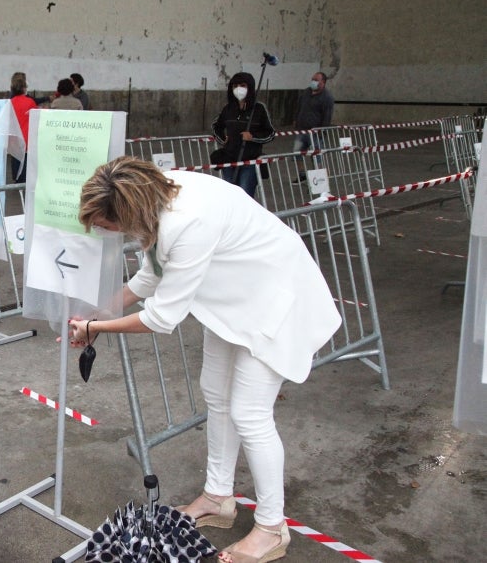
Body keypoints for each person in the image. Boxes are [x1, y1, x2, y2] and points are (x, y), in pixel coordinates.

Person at [70, 157, 341, 563]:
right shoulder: (155, 198)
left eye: (105, 225)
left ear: (127, 211)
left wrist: (97, 328)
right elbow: (153, 275)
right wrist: (100, 310)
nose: (102, 231)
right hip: (232, 300)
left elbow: (162, 317)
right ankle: (218, 497)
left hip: (273, 300)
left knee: (249, 413)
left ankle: (271, 529)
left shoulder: (187, 222)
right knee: (215, 394)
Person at [211, 72, 274, 198]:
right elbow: (216, 126)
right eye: (235, 86)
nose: (238, 89)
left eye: (242, 85)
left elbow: (270, 133)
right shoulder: (228, 108)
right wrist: (223, 139)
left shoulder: (259, 109)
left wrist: (252, 137)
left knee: (245, 195)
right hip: (229, 160)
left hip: (250, 162)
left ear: (249, 87)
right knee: (229, 194)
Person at [293, 71, 334, 181]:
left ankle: (320, 179)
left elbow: (327, 117)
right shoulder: (306, 92)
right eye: (313, 79)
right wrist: (296, 122)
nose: (313, 82)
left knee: (317, 156)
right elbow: (299, 107)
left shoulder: (327, 98)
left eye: (316, 80)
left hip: (315, 133)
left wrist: (321, 132)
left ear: (323, 82)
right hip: (301, 131)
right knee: (297, 153)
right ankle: (302, 175)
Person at [9, 72, 37, 183]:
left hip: (14, 142)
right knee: (26, 173)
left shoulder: (10, 102)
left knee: (17, 172)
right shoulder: (30, 102)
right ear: (25, 86)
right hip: (27, 142)